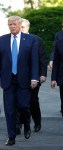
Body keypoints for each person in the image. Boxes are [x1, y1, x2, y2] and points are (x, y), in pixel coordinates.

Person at [0, 16, 39, 146]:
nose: (12, 26)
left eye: (14, 24)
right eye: (9, 24)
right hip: (8, 80)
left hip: (24, 80)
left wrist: (34, 77)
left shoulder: (30, 40)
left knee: (24, 106)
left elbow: (34, 61)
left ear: (20, 24)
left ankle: (27, 124)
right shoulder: (2, 40)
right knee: (9, 110)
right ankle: (11, 137)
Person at [16, 18, 47, 134]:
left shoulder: (36, 40)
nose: (21, 29)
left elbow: (43, 59)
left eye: (23, 27)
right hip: (19, 76)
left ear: (28, 27)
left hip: (34, 75)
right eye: (20, 27)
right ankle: (18, 125)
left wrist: (43, 74)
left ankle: (37, 122)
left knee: (32, 100)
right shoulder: (15, 39)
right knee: (18, 100)